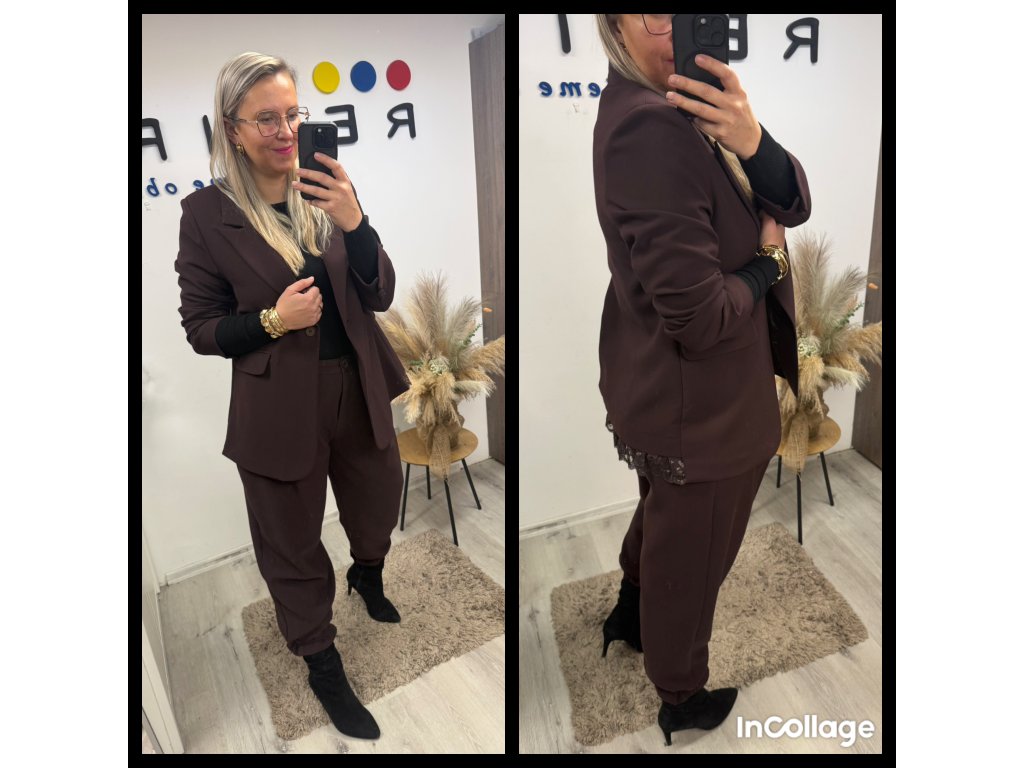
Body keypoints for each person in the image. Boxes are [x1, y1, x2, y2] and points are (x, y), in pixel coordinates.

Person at [174, 51, 410, 741]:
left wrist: (356, 222)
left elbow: (379, 292)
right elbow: (201, 328)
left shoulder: (327, 186)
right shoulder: (205, 215)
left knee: (377, 503)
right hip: (277, 404)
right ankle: (320, 658)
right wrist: (274, 321)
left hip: (358, 384)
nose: (285, 131)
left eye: (292, 114)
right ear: (232, 128)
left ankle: (368, 573)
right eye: (266, 119)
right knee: (291, 541)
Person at [591, 16, 812, 746]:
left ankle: (630, 613)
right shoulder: (651, 126)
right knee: (695, 554)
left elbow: (794, 200)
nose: (672, 24)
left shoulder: (678, 101)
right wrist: (768, 264)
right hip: (701, 404)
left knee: (668, 518)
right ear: (615, 22)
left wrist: (753, 139)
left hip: (664, 384)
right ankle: (680, 695)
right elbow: (702, 317)